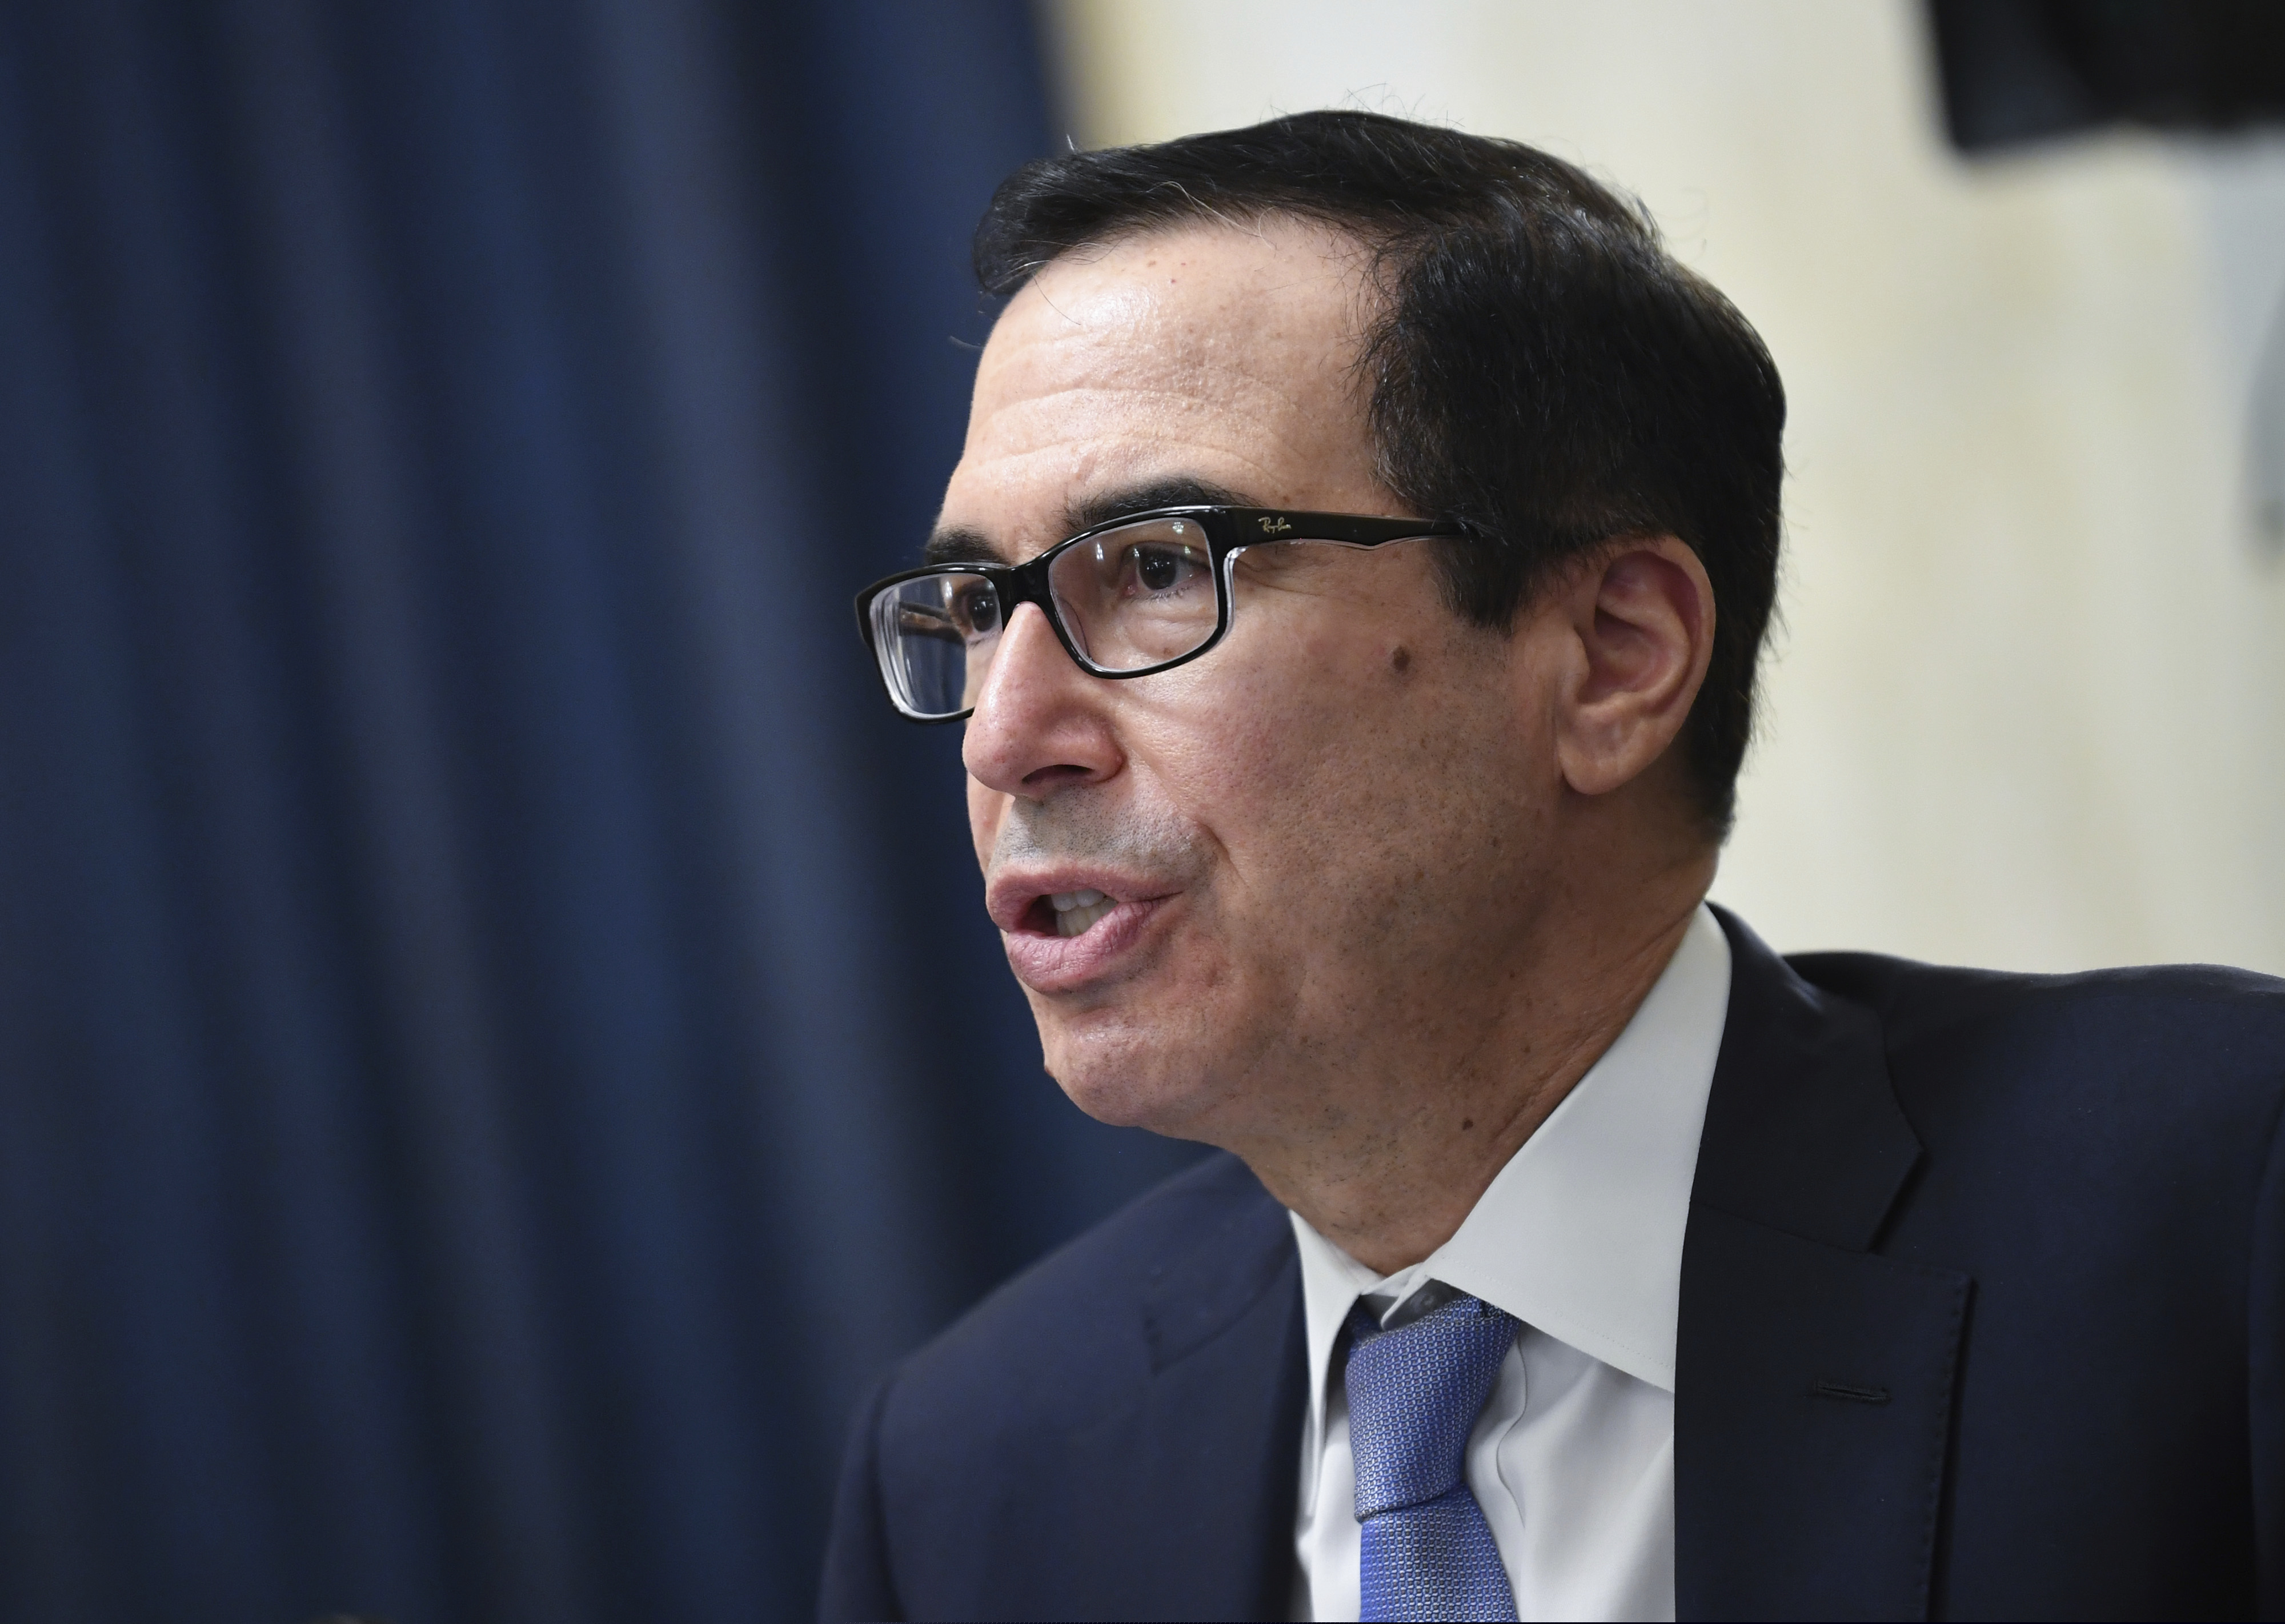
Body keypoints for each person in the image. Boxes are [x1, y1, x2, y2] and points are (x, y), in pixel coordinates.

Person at [820, 111, 2285, 1622]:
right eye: (976, 607)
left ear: (1611, 659)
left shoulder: (2216, 1218)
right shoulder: (971, 1479)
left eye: (1155, 569)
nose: (1003, 738)